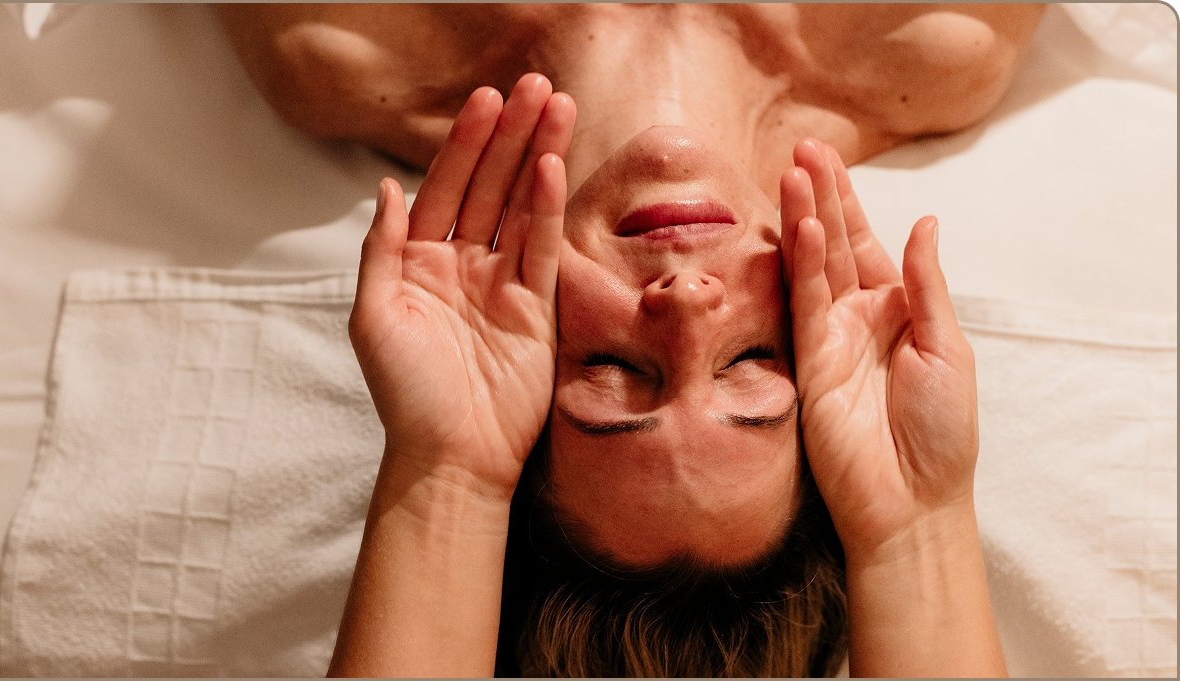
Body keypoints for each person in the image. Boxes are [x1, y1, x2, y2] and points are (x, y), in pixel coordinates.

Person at [217, 4, 1046, 676]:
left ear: (518, 356)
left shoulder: (334, 39)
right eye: (749, 360)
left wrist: (450, 473)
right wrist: (914, 520)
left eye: (611, 368)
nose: (685, 305)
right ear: (817, 330)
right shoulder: (944, 35)